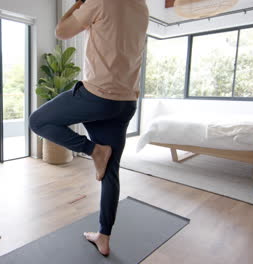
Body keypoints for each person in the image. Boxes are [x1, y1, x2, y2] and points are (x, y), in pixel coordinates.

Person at [29, 0, 149, 256]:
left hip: (97, 96)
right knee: (110, 171)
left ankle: (93, 150)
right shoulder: (142, 7)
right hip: (126, 101)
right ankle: (103, 236)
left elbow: (61, 31)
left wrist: (78, 4)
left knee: (38, 121)